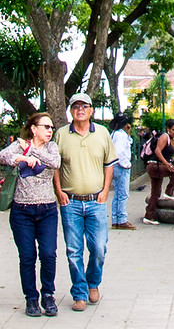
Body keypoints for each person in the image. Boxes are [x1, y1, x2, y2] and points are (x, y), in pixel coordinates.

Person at [53, 93, 118, 312]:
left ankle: (93, 282)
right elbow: (55, 166)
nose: (80, 109)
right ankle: (79, 292)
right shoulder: (61, 135)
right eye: (76, 106)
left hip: (95, 201)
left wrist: (106, 191)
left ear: (91, 110)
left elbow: (109, 164)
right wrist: (59, 191)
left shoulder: (102, 133)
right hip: (70, 202)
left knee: (98, 248)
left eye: (84, 106)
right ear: (71, 111)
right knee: (73, 250)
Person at [0, 112, 61, 317]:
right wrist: (21, 156)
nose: (50, 131)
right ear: (34, 129)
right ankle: (31, 299)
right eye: (46, 127)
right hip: (22, 211)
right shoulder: (19, 145)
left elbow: (55, 163)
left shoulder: (51, 147)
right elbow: (3, 156)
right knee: (27, 257)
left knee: (48, 254)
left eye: (51, 128)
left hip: (47, 210)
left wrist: (32, 151)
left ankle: (48, 295)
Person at [142, 118, 174, 225]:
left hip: (158, 166)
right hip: (154, 165)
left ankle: (148, 216)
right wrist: (167, 164)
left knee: (155, 193)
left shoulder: (173, 139)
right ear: (168, 129)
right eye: (173, 130)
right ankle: (169, 192)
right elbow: (157, 151)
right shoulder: (164, 137)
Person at [109, 114, 135, 230]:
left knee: (118, 194)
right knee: (123, 194)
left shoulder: (115, 134)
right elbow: (119, 152)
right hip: (121, 166)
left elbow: (128, 143)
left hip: (114, 166)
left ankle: (116, 219)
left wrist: (128, 133)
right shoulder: (120, 135)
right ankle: (122, 219)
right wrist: (126, 164)